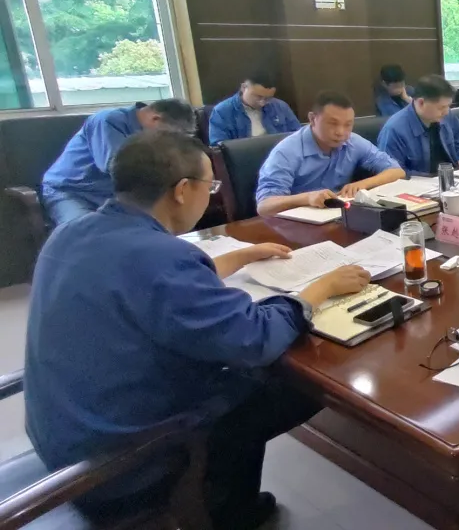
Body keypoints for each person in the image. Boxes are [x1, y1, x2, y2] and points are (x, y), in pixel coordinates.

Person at [24, 130, 372, 528]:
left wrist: (242, 256)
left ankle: (227, 496)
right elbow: (254, 339)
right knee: (291, 384)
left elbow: (145, 282)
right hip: (121, 458)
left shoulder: (72, 232)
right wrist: (321, 288)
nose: (210, 194)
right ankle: (226, 510)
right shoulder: (160, 257)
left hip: (64, 431)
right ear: (182, 190)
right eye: (211, 185)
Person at [41, 99, 196, 226]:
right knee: (85, 230)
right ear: (155, 119)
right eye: (170, 135)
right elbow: (119, 169)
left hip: (110, 196)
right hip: (71, 191)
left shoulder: (152, 134)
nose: (171, 141)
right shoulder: (108, 121)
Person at [255, 91, 405, 216]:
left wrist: (362, 185)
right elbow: (264, 206)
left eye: (348, 125)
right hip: (298, 222)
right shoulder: (286, 151)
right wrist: (307, 198)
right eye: (333, 123)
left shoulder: (353, 142)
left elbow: (397, 171)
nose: (341, 132)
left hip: (337, 215)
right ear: (312, 119)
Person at [377, 75, 459, 176]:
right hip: (421, 182)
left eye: (448, 106)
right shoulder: (394, 130)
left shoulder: (446, 115)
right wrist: (430, 178)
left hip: (452, 176)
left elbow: (458, 133)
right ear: (421, 103)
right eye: (441, 107)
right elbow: (393, 173)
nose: (446, 112)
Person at [208, 72, 301, 144]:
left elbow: (298, 136)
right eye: (258, 96)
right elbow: (219, 147)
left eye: (268, 98)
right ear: (243, 88)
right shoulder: (222, 112)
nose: (262, 102)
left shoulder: (280, 106)